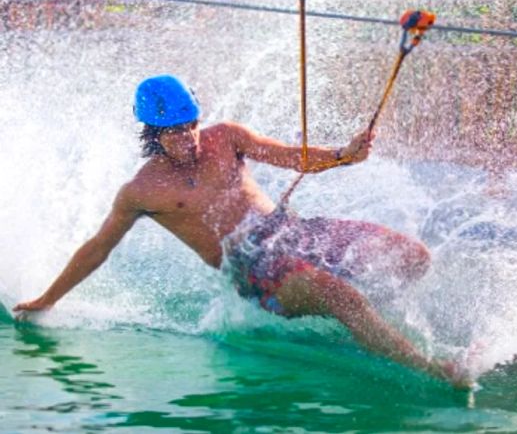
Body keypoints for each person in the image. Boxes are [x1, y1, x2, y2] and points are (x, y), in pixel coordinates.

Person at [13, 74, 469, 388]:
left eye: (191, 124)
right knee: (343, 298)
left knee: (412, 257)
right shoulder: (141, 191)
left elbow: (294, 157)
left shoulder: (225, 137)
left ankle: (370, 329)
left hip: (292, 232)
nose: (187, 137)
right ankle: (430, 368)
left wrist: (344, 154)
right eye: (173, 132)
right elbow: (98, 249)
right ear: (152, 133)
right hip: (254, 271)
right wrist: (46, 300)